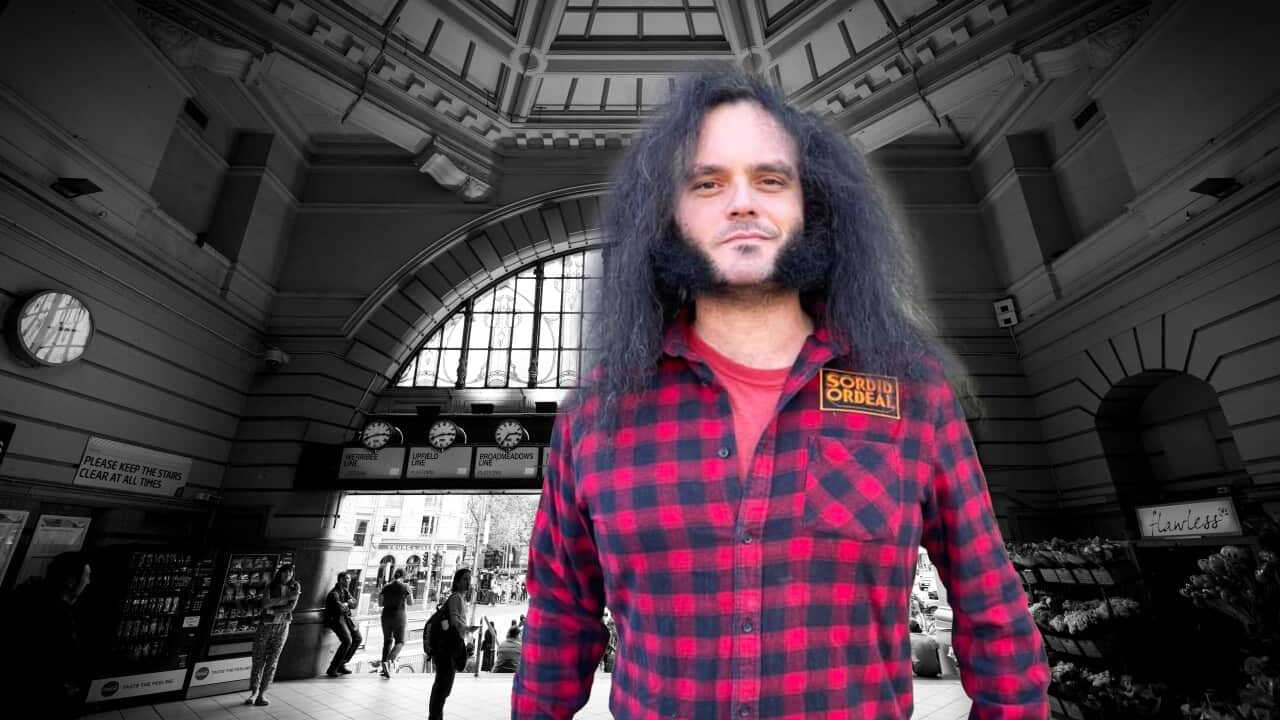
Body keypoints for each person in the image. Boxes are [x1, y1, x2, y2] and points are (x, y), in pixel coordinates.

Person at [512, 66, 1049, 719]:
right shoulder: (595, 414)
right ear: (667, 218)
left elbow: (993, 611)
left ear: (812, 207)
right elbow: (557, 621)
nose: (742, 203)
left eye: (770, 179)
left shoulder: (913, 395)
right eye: (706, 183)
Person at [2, 551, 91, 719]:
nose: (88, 582)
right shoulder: (59, 617)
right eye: (86, 576)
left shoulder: (27, 596)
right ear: (72, 582)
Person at [245, 563, 300, 707]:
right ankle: (253, 692)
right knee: (258, 659)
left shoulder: (295, 587)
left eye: (290, 573)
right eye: (285, 573)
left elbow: (291, 607)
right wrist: (286, 598)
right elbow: (264, 604)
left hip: (283, 626)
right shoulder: (270, 585)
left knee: (272, 661)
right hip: (265, 626)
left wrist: (273, 609)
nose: (287, 576)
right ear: (279, 573)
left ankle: (262, 694)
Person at [429, 568, 470, 720]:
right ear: (457, 581)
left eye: (469, 579)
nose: (468, 582)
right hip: (448, 648)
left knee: (443, 686)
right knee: (442, 686)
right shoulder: (456, 598)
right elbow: (454, 621)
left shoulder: (459, 598)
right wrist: (467, 628)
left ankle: (435, 716)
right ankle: (434, 717)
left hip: (447, 647)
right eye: (465, 579)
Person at [323, 571, 361, 677]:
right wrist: (347, 603)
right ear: (340, 580)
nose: (349, 581)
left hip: (345, 618)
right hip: (336, 619)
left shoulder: (345, 591)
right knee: (347, 641)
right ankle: (333, 668)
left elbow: (354, 604)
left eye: (349, 579)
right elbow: (340, 608)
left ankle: (341, 664)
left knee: (357, 638)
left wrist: (347, 603)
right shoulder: (334, 593)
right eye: (346, 579)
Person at [377, 568, 413, 678]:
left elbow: (380, 603)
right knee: (400, 641)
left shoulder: (386, 586)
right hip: (399, 615)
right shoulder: (405, 587)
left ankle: (384, 668)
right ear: (403, 576)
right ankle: (388, 662)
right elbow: (411, 603)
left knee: (387, 641)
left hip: (386, 615)